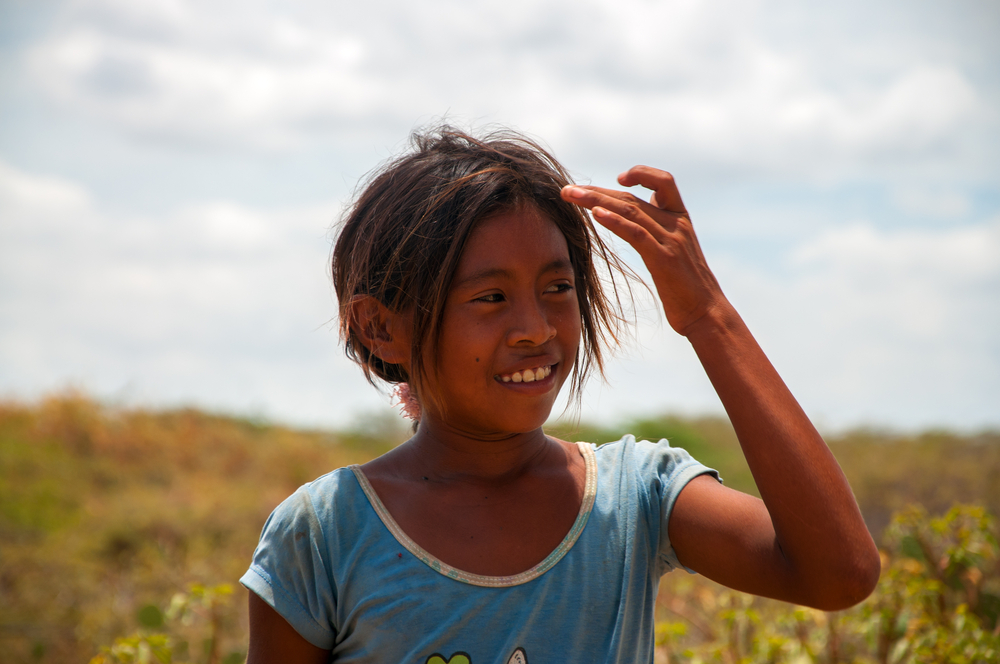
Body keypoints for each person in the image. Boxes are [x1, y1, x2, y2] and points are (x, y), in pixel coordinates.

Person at [241, 127, 880, 664]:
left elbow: (839, 573)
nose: (537, 329)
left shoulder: (637, 497)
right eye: (491, 298)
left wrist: (709, 315)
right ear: (382, 327)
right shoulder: (325, 533)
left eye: (558, 288)